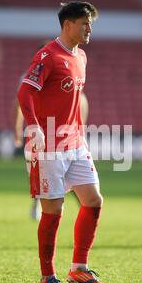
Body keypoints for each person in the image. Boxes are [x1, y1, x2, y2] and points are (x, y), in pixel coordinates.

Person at [17, 2, 108, 283]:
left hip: (75, 143)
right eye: (85, 23)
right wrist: (32, 126)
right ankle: (47, 278)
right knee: (53, 212)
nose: (89, 29)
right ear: (68, 24)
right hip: (49, 147)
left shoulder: (80, 56)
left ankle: (79, 269)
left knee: (93, 200)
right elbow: (25, 90)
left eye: (90, 24)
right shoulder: (48, 56)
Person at [12, 53, 89, 221]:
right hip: (40, 134)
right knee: (39, 175)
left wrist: (81, 129)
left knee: (76, 178)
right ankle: (38, 204)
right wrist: (19, 128)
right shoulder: (29, 77)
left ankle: (80, 206)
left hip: (69, 134)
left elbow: (80, 101)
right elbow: (19, 101)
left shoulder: (68, 69)